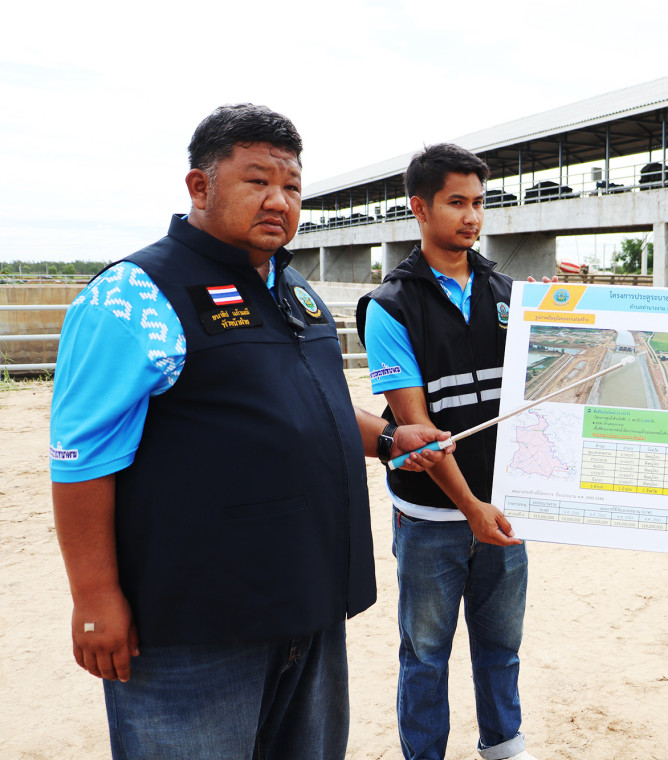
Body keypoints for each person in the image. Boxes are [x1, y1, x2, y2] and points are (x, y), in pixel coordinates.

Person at [49, 103, 450, 760]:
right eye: (257, 181)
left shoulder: (293, 288)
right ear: (199, 187)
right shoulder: (133, 296)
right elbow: (80, 457)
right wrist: (94, 597)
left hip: (309, 603)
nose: (279, 201)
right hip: (195, 624)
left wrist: (386, 439)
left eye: (291, 186)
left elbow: (313, 405)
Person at [356, 143, 537, 760]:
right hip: (431, 518)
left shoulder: (509, 294)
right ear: (420, 207)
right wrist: (470, 509)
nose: (472, 217)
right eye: (457, 202)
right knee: (426, 654)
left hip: (502, 509)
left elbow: (545, 389)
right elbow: (418, 429)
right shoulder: (390, 306)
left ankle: (504, 747)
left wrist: (567, 322)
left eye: (479, 203)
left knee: (502, 647)